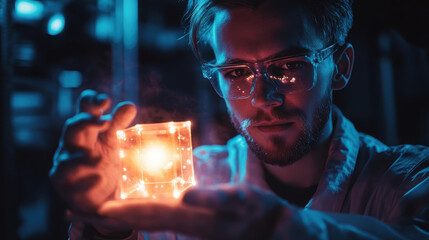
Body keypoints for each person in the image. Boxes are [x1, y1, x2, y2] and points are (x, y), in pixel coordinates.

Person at [50, 0, 429, 239]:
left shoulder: (409, 181)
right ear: (215, 79)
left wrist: (277, 228)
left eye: (288, 66)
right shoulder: (175, 185)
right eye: (237, 73)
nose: (265, 98)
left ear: (341, 67)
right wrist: (108, 227)